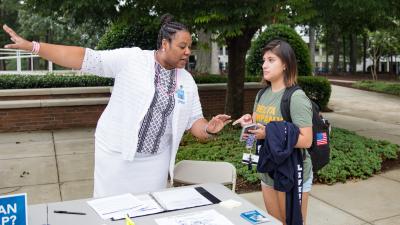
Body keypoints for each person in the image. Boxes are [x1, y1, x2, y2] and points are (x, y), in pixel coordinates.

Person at [2, 14, 231, 197]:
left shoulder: (187, 81)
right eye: (182, 46)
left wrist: (208, 129)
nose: (188, 52)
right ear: (164, 44)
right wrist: (33, 47)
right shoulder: (132, 59)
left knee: (148, 214)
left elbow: (195, 122)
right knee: (111, 214)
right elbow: (86, 58)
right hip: (117, 158)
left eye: (189, 46)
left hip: (155, 164)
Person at [233, 39, 313, 225]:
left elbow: (306, 140)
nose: (264, 65)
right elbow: (256, 130)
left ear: (285, 64)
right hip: (268, 169)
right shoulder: (262, 95)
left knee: (291, 222)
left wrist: (268, 133)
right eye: (263, 60)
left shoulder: (296, 97)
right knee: (275, 222)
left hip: (292, 171)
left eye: (271, 60)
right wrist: (249, 125)